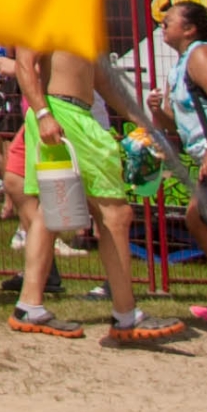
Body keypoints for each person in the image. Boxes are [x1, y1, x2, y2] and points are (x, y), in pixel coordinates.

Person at [12, 41, 190, 344]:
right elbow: (24, 63)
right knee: (116, 214)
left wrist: (137, 118)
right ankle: (125, 314)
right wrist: (43, 114)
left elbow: (102, 79)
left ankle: (29, 306)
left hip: (71, 113)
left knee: (51, 210)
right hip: (63, 113)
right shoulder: (50, 7)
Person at [160, 0, 207, 332]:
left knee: (197, 216)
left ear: (188, 28)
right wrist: (158, 111)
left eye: (168, 20)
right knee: (199, 218)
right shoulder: (180, 65)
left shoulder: (203, 54)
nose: (163, 24)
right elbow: (179, 123)